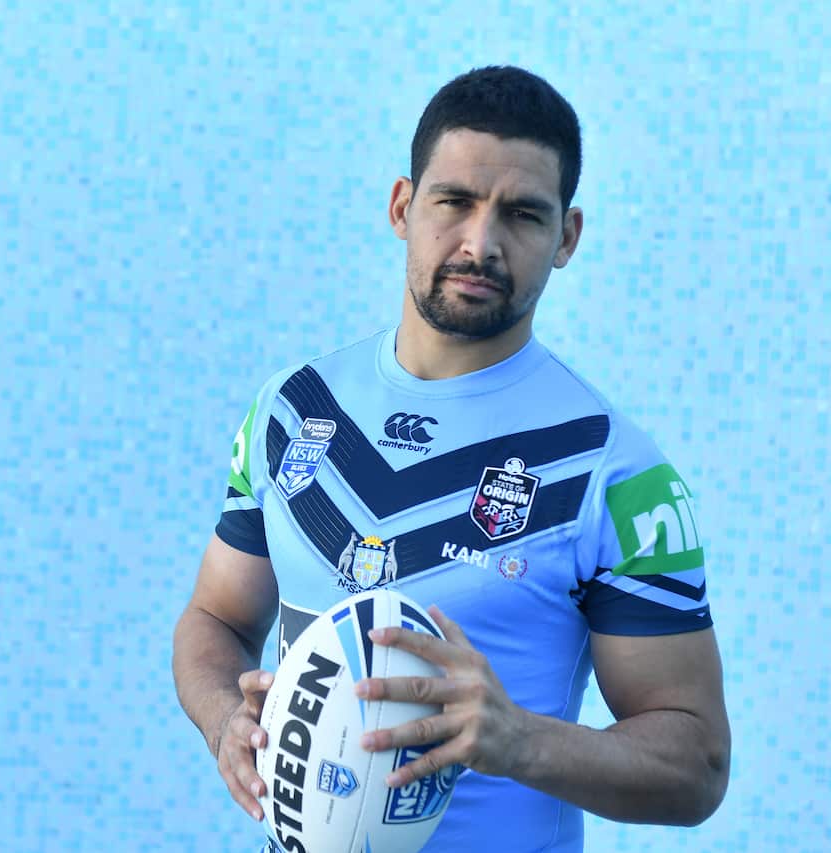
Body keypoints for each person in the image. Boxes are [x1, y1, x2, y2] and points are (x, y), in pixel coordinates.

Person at [172, 65, 730, 852]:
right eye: (455, 201)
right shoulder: (292, 410)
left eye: (523, 215)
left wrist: (519, 739)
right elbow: (215, 619)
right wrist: (225, 715)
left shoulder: (615, 475)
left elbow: (698, 764)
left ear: (566, 237)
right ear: (403, 206)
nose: (481, 242)